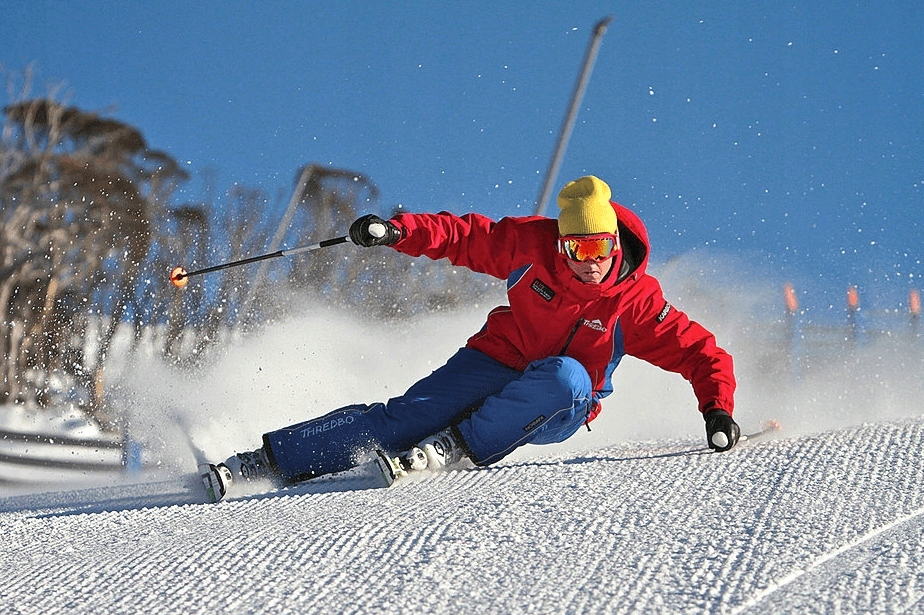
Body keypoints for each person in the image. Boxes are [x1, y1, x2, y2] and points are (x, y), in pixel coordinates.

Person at [200, 175, 739, 502]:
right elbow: (466, 236)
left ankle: (455, 447)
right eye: (577, 250)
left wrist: (717, 407)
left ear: (615, 244)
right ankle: (266, 462)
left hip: (557, 404)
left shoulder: (635, 301)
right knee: (405, 417)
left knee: (566, 375)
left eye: (600, 249)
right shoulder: (531, 245)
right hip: (499, 357)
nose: (590, 263)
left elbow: (699, 351)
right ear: (562, 242)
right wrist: (399, 231)